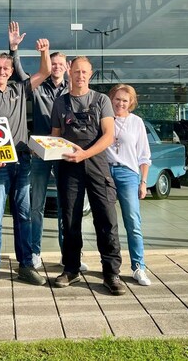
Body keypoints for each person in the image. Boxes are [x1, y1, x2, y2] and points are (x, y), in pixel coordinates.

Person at [0, 24, 51, 291]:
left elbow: (45, 72)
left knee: (24, 216)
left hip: (22, 162)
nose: (2, 72)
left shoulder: (19, 90)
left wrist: (43, 51)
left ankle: (26, 265)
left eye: (6, 68)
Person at [8, 26, 88, 272]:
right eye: (53, 64)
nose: (57, 67)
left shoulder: (72, 91)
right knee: (37, 206)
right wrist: (14, 49)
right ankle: (35, 252)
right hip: (40, 154)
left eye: (61, 64)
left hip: (65, 154)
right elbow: (19, 74)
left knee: (67, 205)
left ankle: (69, 255)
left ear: (67, 68)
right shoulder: (39, 87)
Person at [49, 56, 125, 295]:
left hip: (96, 165)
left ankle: (111, 273)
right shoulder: (60, 103)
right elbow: (55, 135)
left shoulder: (101, 100)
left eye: (84, 72)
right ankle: (71, 269)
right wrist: (42, 147)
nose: (80, 76)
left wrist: (85, 154)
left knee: (106, 219)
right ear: (69, 72)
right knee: (70, 220)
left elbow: (109, 135)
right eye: (76, 71)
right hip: (68, 168)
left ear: (90, 74)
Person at [106, 83, 152, 286]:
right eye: (117, 99)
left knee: (133, 221)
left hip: (128, 173)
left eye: (125, 100)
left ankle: (138, 267)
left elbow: (144, 155)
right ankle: (110, 267)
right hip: (105, 172)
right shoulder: (104, 118)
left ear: (131, 102)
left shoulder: (136, 122)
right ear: (111, 99)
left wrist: (143, 182)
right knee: (107, 222)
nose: (120, 103)